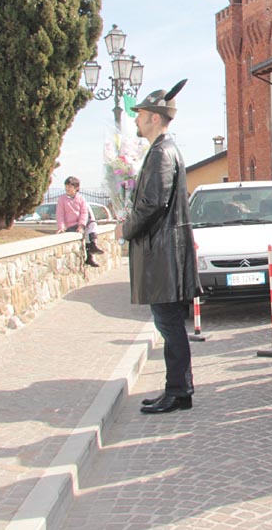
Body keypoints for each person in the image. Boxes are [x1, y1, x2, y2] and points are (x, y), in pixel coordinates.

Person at [116, 80, 200, 415]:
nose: (136, 120)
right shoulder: (161, 150)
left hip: (163, 254)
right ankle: (178, 388)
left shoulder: (162, 153)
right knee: (169, 324)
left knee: (169, 325)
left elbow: (153, 204)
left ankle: (179, 391)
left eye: (140, 115)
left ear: (154, 117)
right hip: (164, 252)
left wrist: (126, 229)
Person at [56, 176, 100, 267]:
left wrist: (81, 225)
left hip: (80, 224)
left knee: (92, 226)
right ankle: (90, 255)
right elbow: (60, 214)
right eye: (66, 186)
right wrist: (61, 227)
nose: (67, 189)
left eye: (70, 186)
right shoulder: (62, 199)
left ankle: (93, 246)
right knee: (85, 235)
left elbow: (84, 213)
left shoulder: (81, 199)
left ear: (76, 188)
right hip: (71, 226)